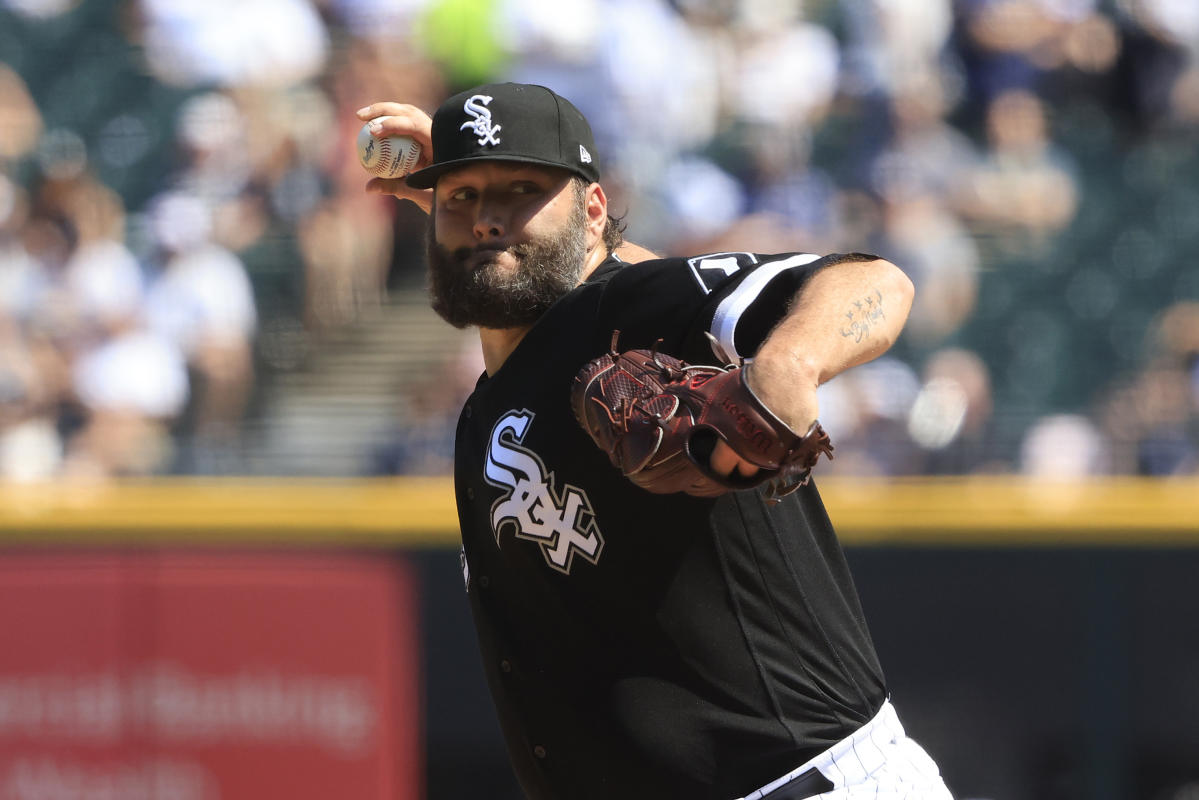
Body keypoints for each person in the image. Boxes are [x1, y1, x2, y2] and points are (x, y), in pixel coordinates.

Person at [357, 83, 953, 800]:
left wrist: (790, 362)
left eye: (522, 190)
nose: (488, 218)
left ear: (594, 211)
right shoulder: (497, 388)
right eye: (463, 197)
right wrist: (466, 186)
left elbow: (874, 282)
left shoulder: (631, 315)